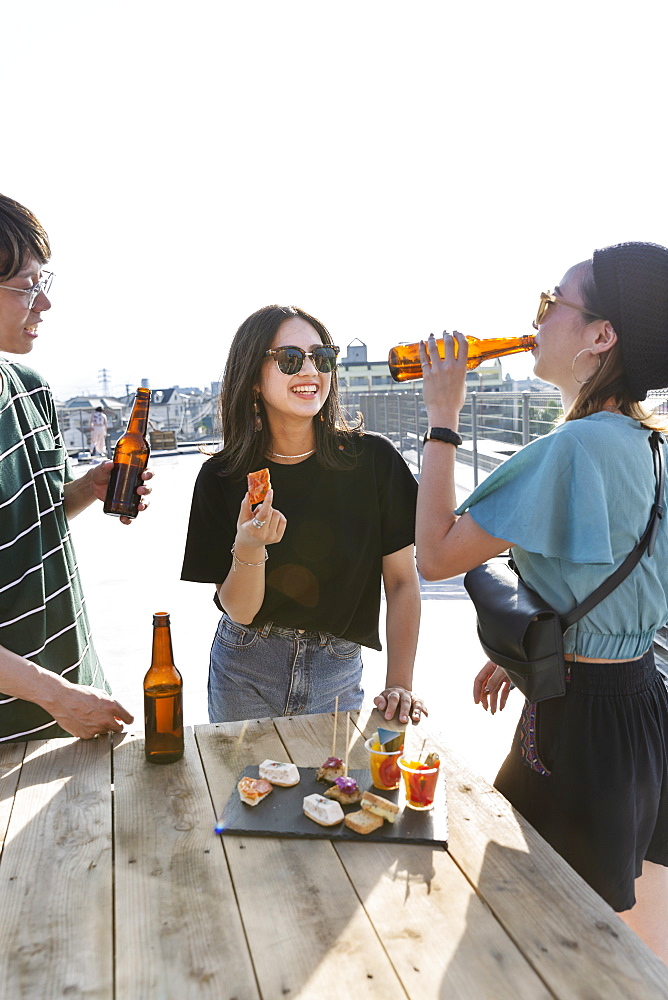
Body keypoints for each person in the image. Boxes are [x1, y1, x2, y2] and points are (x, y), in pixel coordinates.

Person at [415, 242, 668, 962]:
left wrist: (442, 414)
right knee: (641, 948)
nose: (537, 318)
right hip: (645, 708)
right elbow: (625, 586)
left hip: (579, 729)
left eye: (550, 302)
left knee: (530, 949)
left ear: (600, 335)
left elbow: (434, 553)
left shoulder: (574, 450)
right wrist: (542, 653)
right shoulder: (651, 447)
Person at [181, 304, 425, 726]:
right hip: (245, 667)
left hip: (338, 667)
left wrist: (399, 682)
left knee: (331, 792)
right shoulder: (222, 477)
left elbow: (403, 581)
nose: (310, 370)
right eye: (291, 359)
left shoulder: (375, 461)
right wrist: (250, 546)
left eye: (322, 357)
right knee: (246, 791)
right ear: (254, 379)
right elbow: (239, 610)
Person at [0, 193, 152, 742]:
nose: (43, 304)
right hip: (20, 721)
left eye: (46, 283)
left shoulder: (29, 388)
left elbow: (40, 516)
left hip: (73, 696)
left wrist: (90, 486)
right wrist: (53, 695)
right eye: (26, 286)